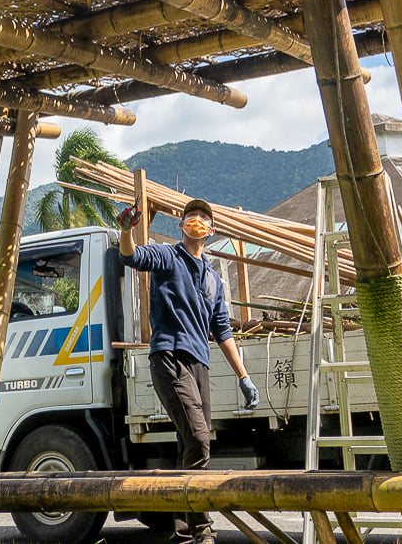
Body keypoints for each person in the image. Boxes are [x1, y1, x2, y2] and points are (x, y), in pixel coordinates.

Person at [118, 198, 259, 544]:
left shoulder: (213, 279)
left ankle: (183, 532)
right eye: (190, 217)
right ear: (182, 227)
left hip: (200, 365)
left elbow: (223, 331)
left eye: (202, 218)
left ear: (211, 231)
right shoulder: (168, 256)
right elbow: (131, 256)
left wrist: (244, 376)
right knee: (199, 438)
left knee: (190, 446)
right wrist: (126, 230)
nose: (195, 221)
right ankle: (202, 529)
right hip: (168, 358)